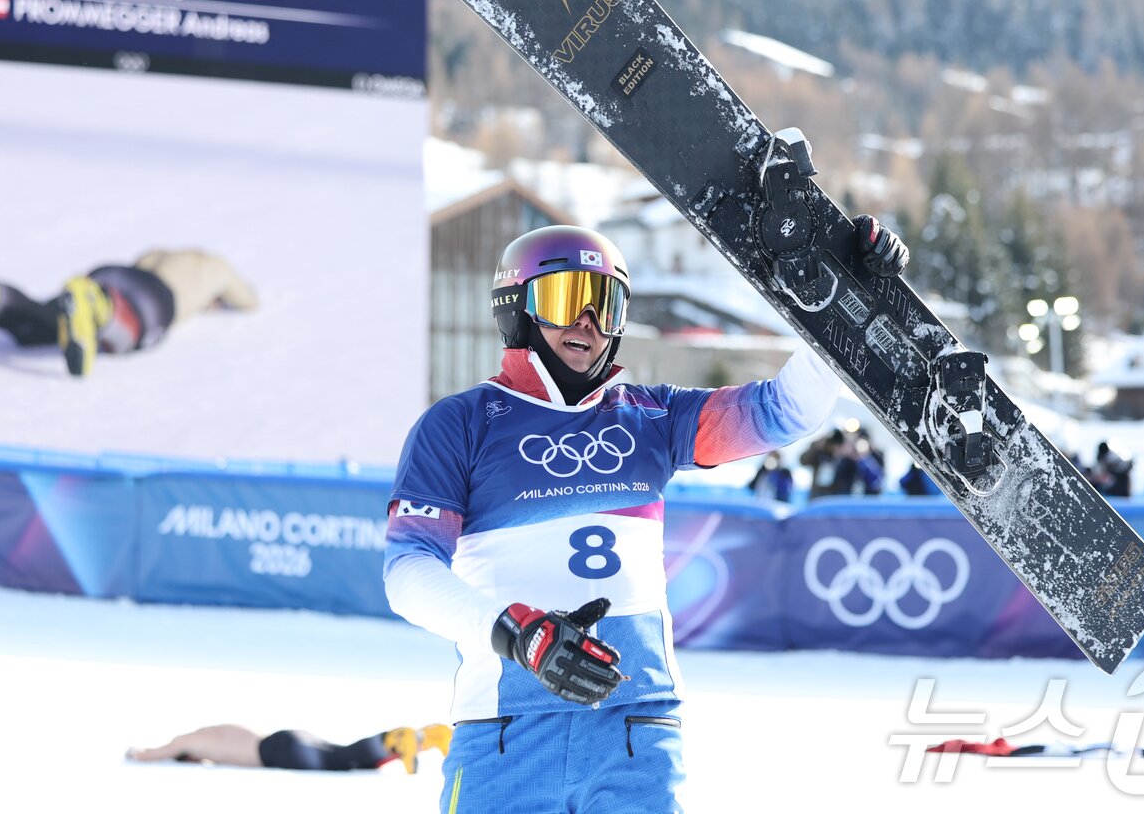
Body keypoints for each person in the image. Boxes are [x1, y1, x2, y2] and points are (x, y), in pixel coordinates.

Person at [382, 218, 909, 813]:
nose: (587, 322)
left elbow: (788, 410)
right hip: (506, 729)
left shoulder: (651, 417)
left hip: (638, 729)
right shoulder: (459, 423)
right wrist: (518, 632)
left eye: (605, 305)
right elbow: (407, 574)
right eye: (565, 300)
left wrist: (844, 306)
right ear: (517, 309)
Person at [0, 249, 258, 377]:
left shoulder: (157, 253)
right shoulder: (214, 267)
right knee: (135, 330)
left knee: (45, 324)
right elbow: (248, 301)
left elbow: (136, 269)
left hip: (108, 275)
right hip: (153, 296)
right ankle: (96, 306)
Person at [126, 721, 451, 774]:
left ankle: (399, 739)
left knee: (342, 760)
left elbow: (169, 748)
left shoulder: (192, 742)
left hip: (278, 752)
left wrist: (142, 753)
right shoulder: (212, 732)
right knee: (348, 756)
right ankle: (425, 737)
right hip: (282, 740)